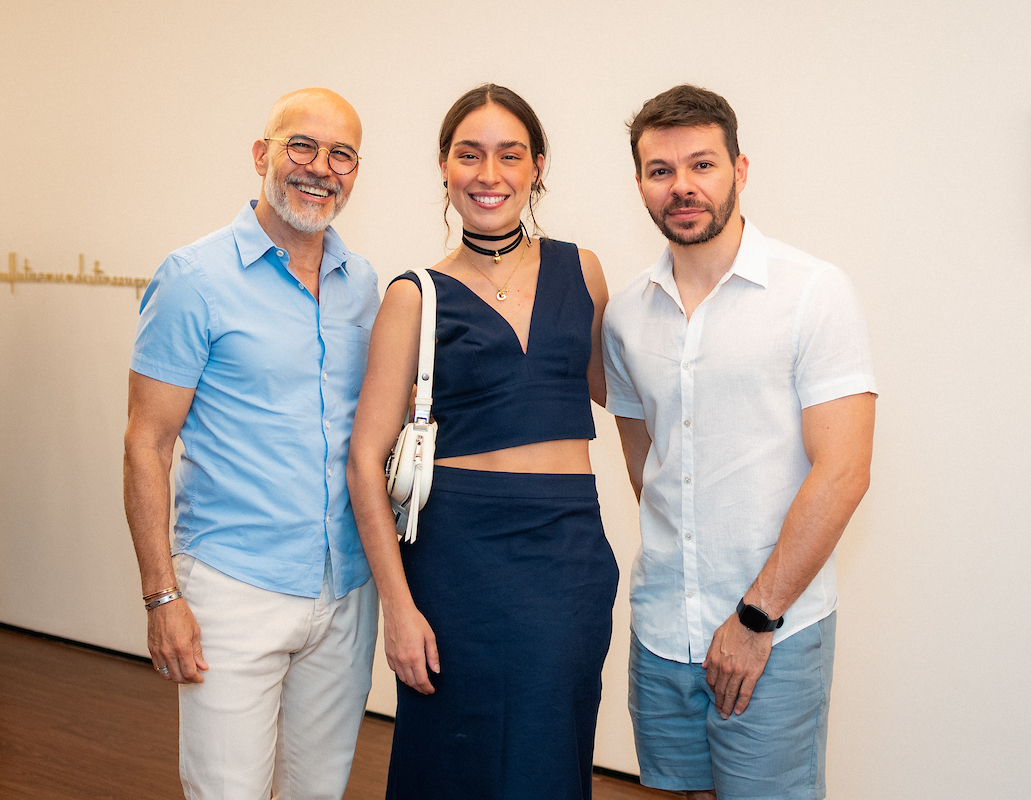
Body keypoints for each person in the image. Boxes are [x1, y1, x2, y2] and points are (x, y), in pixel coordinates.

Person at [602, 84, 878, 800]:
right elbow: (646, 465)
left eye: (702, 165)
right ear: (639, 183)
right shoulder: (628, 313)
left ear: (740, 169)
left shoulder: (813, 292)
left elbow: (844, 472)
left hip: (774, 631)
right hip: (663, 628)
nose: (682, 186)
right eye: (661, 171)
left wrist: (756, 617)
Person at [346, 84, 619, 800]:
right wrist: (399, 610)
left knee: (549, 752)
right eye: (469, 155)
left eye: (509, 155)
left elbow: (621, 394)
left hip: (568, 557)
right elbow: (363, 462)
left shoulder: (582, 270)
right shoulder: (417, 294)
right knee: (453, 756)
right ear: (444, 166)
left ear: (536, 167)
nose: (488, 174)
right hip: (456, 561)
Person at [123, 88, 380, 800]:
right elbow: (146, 443)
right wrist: (160, 597)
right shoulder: (193, 279)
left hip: (345, 590)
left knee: (317, 791)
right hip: (233, 591)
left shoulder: (364, 286)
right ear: (262, 154)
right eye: (302, 145)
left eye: (342, 155)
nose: (320, 167)